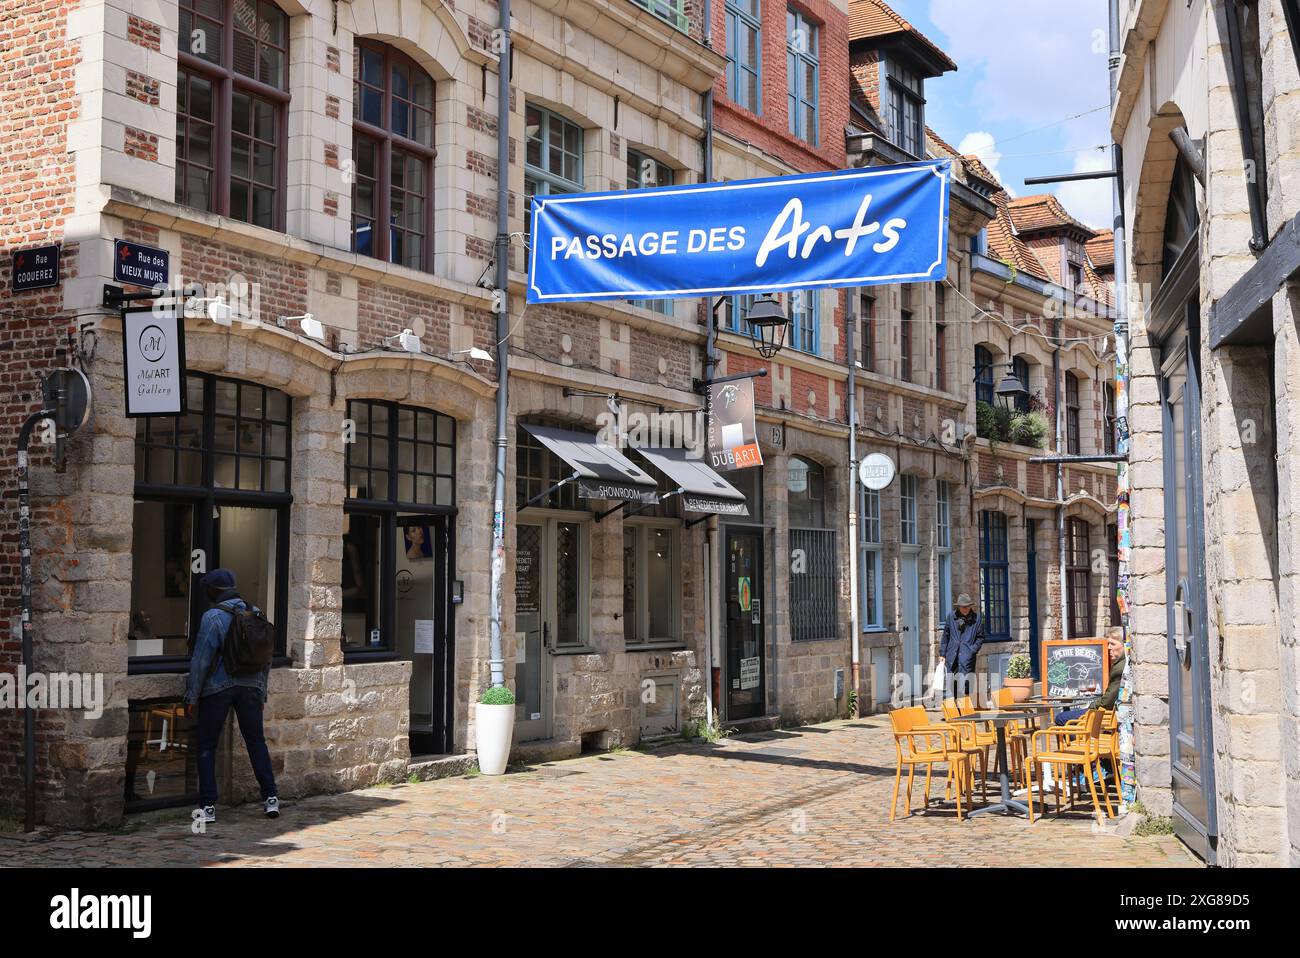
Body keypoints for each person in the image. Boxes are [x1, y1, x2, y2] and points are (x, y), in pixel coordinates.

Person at [185, 568, 279, 824]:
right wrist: (262, 693)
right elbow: (265, 659)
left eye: (208, 589)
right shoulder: (257, 613)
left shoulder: (212, 616)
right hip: (251, 687)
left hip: (218, 687)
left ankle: (207, 806)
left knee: (206, 746)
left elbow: (201, 661)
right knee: (256, 742)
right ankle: (271, 798)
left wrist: (192, 696)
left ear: (215, 591)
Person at [1053, 634, 1127, 726]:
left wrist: (1093, 705)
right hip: (1110, 712)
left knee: (1060, 717)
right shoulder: (1124, 664)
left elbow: (1108, 701)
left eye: (1112, 644)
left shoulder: (1120, 668)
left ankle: (1080, 740)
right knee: (1068, 715)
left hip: (1106, 714)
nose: (1108, 647)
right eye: (1108, 643)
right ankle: (1080, 738)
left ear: (1125, 645)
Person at [940, 594, 986, 699]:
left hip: (967, 657)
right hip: (952, 656)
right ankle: (955, 711)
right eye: (962, 607)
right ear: (958, 607)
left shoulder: (976, 619)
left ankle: (964, 711)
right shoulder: (951, 617)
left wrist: (972, 650)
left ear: (970, 606)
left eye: (967, 606)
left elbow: (980, 637)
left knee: (966, 685)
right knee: (952, 684)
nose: (965, 609)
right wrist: (943, 653)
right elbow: (945, 636)